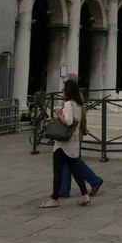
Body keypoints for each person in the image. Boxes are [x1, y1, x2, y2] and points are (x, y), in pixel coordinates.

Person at [39, 79, 90, 207]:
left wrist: (58, 113)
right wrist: (55, 118)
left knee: (58, 170)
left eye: (64, 91)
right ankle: (84, 194)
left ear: (68, 92)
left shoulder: (68, 104)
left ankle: (54, 198)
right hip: (72, 142)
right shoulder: (78, 104)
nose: (62, 93)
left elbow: (68, 121)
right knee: (74, 169)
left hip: (63, 144)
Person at [59, 73, 103, 198]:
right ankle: (64, 189)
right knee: (68, 163)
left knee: (75, 163)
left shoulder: (76, 97)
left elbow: (81, 116)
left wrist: (83, 129)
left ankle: (94, 180)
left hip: (73, 135)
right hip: (73, 134)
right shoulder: (75, 96)